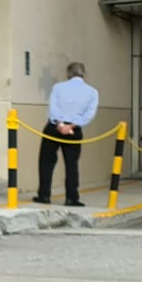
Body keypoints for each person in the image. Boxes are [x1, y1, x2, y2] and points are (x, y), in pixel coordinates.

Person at [33, 61, 99, 206]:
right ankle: (71, 198)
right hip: (74, 130)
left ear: (68, 73)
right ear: (84, 73)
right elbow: (89, 114)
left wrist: (60, 124)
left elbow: (53, 108)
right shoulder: (92, 92)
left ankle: (44, 195)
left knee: (46, 162)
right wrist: (71, 126)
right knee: (72, 164)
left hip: (54, 127)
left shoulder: (58, 87)